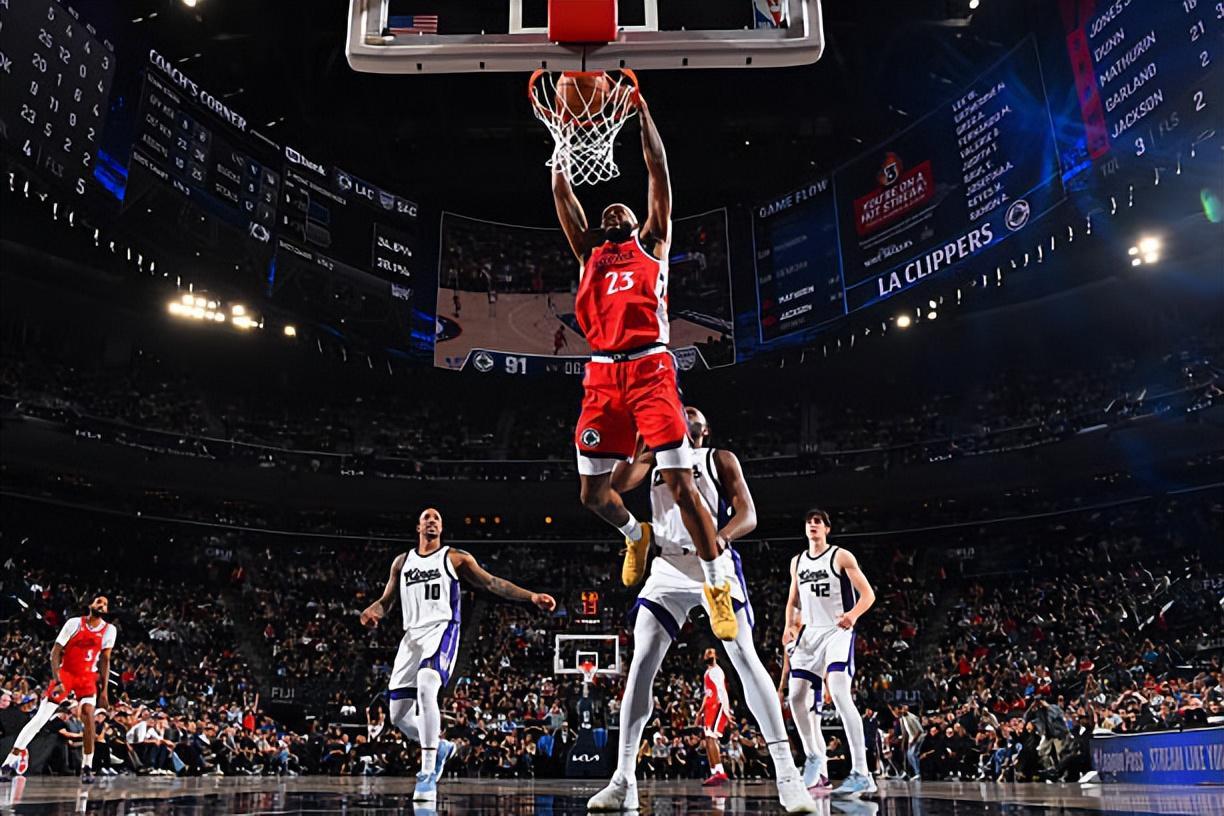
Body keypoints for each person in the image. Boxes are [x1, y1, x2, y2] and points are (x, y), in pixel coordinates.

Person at [550, 82, 737, 641]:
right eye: (606, 209)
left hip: (651, 368)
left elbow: (658, 172)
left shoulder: (653, 243)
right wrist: (562, 134)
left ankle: (715, 583)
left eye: (621, 207)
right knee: (591, 494)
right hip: (602, 373)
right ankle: (636, 535)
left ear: (636, 221)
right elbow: (561, 190)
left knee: (681, 483)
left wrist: (643, 112)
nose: (613, 208)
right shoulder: (589, 252)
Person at [587, 407, 816, 812]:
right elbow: (616, 486)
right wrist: (642, 440)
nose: (686, 411)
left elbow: (748, 514)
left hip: (714, 563)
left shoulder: (719, 458)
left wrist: (720, 539)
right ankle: (623, 778)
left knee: (744, 656)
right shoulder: (656, 458)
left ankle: (787, 775)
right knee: (641, 662)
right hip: (667, 566)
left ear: (704, 430)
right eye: (682, 410)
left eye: (694, 413)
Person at [360, 508, 556, 802]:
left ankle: (427, 773)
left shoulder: (454, 558)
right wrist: (371, 611)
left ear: (441, 528)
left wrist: (531, 597)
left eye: (437, 518)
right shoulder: (401, 562)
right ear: (418, 527)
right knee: (398, 715)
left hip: (442, 629)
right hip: (411, 636)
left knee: (427, 684)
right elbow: (386, 601)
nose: (432, 520)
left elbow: (492, 583)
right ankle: (440, 748)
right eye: (426, 517)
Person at [780, 510, 878, 797]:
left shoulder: (840, 556)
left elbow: (868, 595)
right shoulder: (797, 562)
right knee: (795, 696)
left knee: (838, 692)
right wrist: (789, 626)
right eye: (809, 521)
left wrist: (853, 615)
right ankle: (814, 755)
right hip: (809, 633)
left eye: (818, 522)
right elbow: (793, 601)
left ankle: (862, 772)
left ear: (827, 529)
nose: (812, 525)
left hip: (837, 631)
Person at [1, 595, 115, 783]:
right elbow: (55, 652)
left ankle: (87, 766)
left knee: (88, 715)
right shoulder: (74, 623)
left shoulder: (109, 630)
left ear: (107, 610)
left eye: (105, 604)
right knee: (40, 718)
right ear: (91, 605)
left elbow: (105, 660)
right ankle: (9, 762)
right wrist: (57, 679)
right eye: (99, 601)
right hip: (66, 674)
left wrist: (104, 691)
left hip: (87, 676)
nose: (102, 605)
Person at [699, 647, 732, 786]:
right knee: (708, 740)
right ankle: (714, 772)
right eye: (706, 653)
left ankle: (720, 772)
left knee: (712, 738)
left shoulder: (717, 671)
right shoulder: (707, 673)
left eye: (711, 653)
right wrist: (700, 712)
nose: (708, 655)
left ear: (716, 657)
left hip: (717, 706)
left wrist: (726, 711)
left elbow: (722, 691)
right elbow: (707, 694)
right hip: (709, 709)